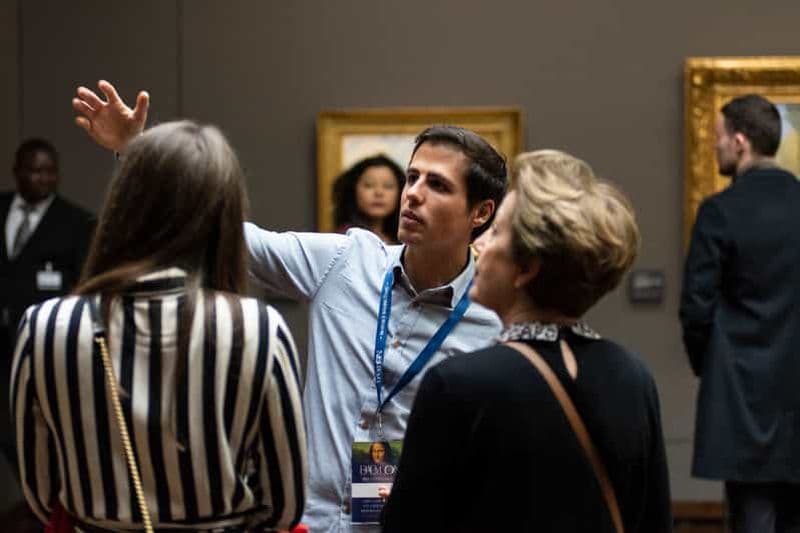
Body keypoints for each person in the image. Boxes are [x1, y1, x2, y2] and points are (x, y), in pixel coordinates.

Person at [71, 80, 506, 533]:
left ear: (480, 213)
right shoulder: (347, 260)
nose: (413, 193)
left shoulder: (490, 320)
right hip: (306, 523)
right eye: (412, 176)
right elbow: (223, 234)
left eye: (437, 185)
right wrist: (137, 150)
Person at [10, 121, 307, 531]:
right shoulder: (259, 329)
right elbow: (285, 505)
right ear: (223, 216)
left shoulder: (44, 326)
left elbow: (42, 494)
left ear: (121, 207)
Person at [382, 149, 672, 532]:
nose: (480, 246)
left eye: (497, 232)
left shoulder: (458, 383)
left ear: (526, 269)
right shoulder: (633, 376)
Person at [680, 94, 800, 533]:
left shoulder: (720, 211)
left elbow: (696, 307)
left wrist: (710, 367)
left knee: (751, 518)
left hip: (742, 396)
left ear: (741, 141)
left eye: (719, 138)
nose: (715, 147)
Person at [0, 138, 94, 469]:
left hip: (41, 347)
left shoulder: (76, 223)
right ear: (17, 172)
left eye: (50, 172)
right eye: (35, 171)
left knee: (34, 439)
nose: (43, 178)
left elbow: (84, 287)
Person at [332, 155, 404, 243]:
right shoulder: (344, 238)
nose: (379, 193)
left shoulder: (405, 238)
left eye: (388, 186)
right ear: (353, 190)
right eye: (369, 185)